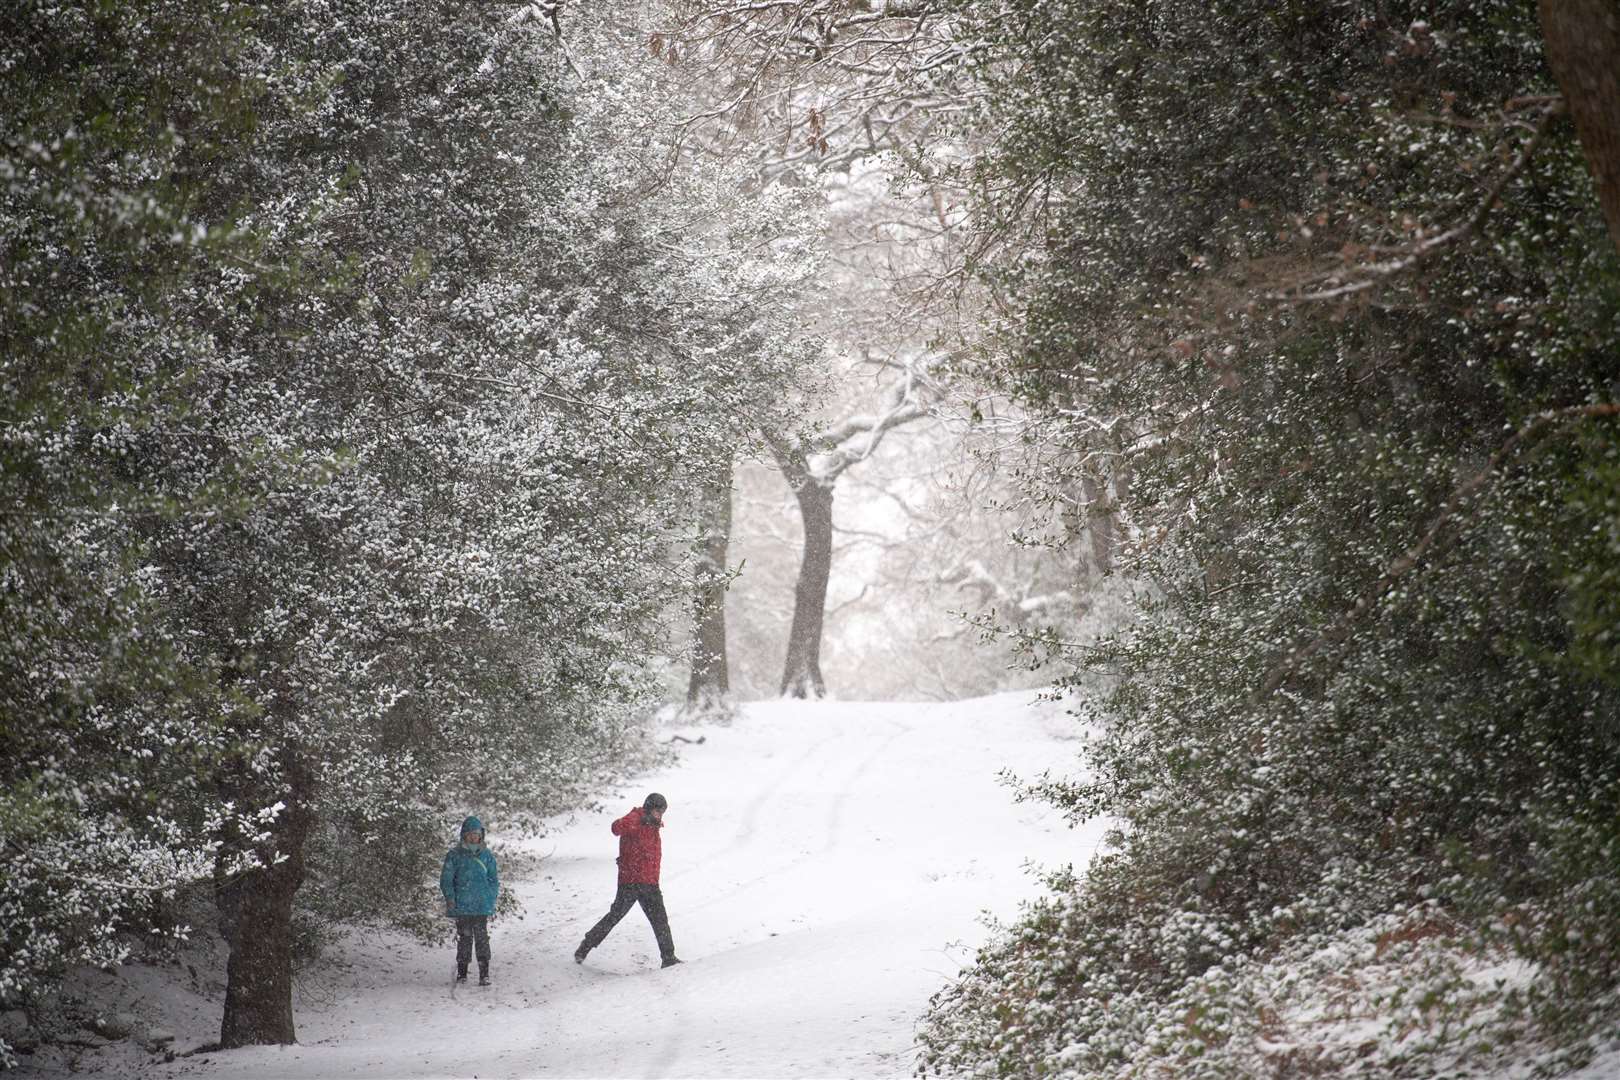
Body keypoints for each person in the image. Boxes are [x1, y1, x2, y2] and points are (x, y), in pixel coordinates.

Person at [575, 793, 681, 968]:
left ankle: (668, 958)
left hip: (649, 883)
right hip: (630, 882)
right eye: (657, 811)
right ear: (649, 808)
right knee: (614, 917)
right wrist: (638, 820)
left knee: (660, 921)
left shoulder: (654, 826)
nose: (660, 815)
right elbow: (615, 828)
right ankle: (584, 947)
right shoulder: (635, 818)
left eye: (662, 812)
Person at [441, 815, 499, 986]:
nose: (474, 837)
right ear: (464, 835)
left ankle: (484, 973)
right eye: (471, 834)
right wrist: (450, 898)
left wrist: (491, 896)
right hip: (463, 905)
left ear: (481, 835)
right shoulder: (454, 856)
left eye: (477, 834)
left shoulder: (487, 855)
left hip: (481, 905)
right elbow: (446, 880)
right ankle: (462, 972)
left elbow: (493, 879)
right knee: (465, 938)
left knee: (482, 938)